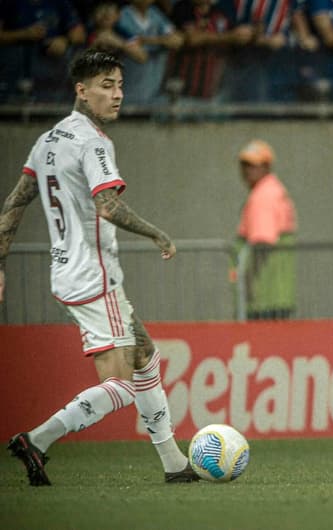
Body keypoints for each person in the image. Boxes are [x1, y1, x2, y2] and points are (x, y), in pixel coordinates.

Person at [0, 49, 197, 486]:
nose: (118, 95)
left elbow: (15, 203)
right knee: (123, 384)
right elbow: (107, 205)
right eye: (106, 86)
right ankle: (38, 439)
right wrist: (156, 233)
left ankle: (174, 464)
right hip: (95, 276)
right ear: (81, 90)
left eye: (121, 86)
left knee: (145, 357)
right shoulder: (94, 141)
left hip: (67, 273)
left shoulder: (48, 140)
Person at [230, 140, 297, 320]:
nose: (246, 171)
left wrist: (248, 284)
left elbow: (262, 243)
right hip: (277, 294)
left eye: (253, 165)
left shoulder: (263, 196)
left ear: (266, 167)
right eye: (244, 165)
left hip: (264, 295)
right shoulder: (274, 191)